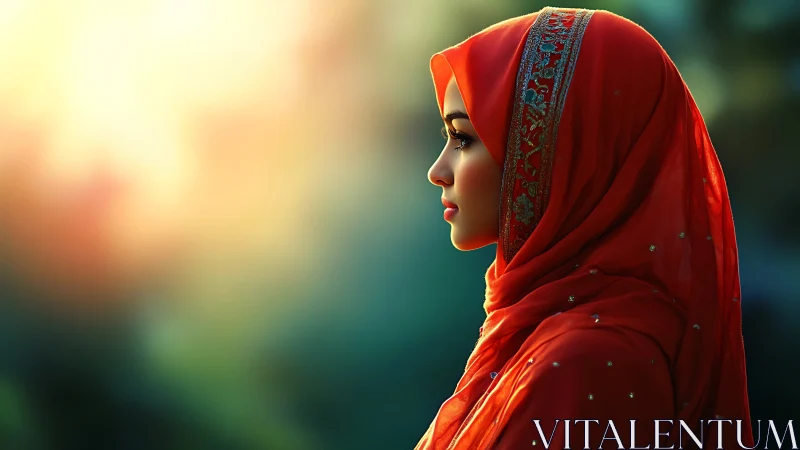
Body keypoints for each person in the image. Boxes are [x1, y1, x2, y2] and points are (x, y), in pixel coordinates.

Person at [420, 7, 754, 450]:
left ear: (561, 149)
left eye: (463, 138)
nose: (437, 171)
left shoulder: (588, 360)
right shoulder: (538, 327)